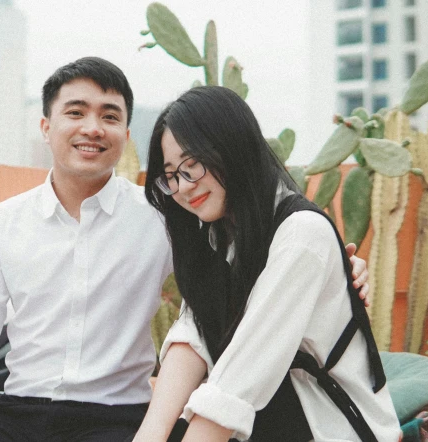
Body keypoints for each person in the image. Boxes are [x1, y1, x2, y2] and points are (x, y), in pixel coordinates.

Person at [0, 58, 371, 442]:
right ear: (46, 127)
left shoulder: (166, 216)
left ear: (125, 133)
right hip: (17, 411)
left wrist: (336, 272)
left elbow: (227, 287)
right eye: (76, 112)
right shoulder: (1, 223)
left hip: (113, 417)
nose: (92, 128)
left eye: (109, 116)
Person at [133, 86, 401, 442]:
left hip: (327, 428)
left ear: (231, 147)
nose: (182, 186)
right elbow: (192, 336)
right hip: (271, 424)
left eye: (192, 165)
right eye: (171, 175)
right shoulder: (220, 238)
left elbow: (239, 378)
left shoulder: (301, 234)